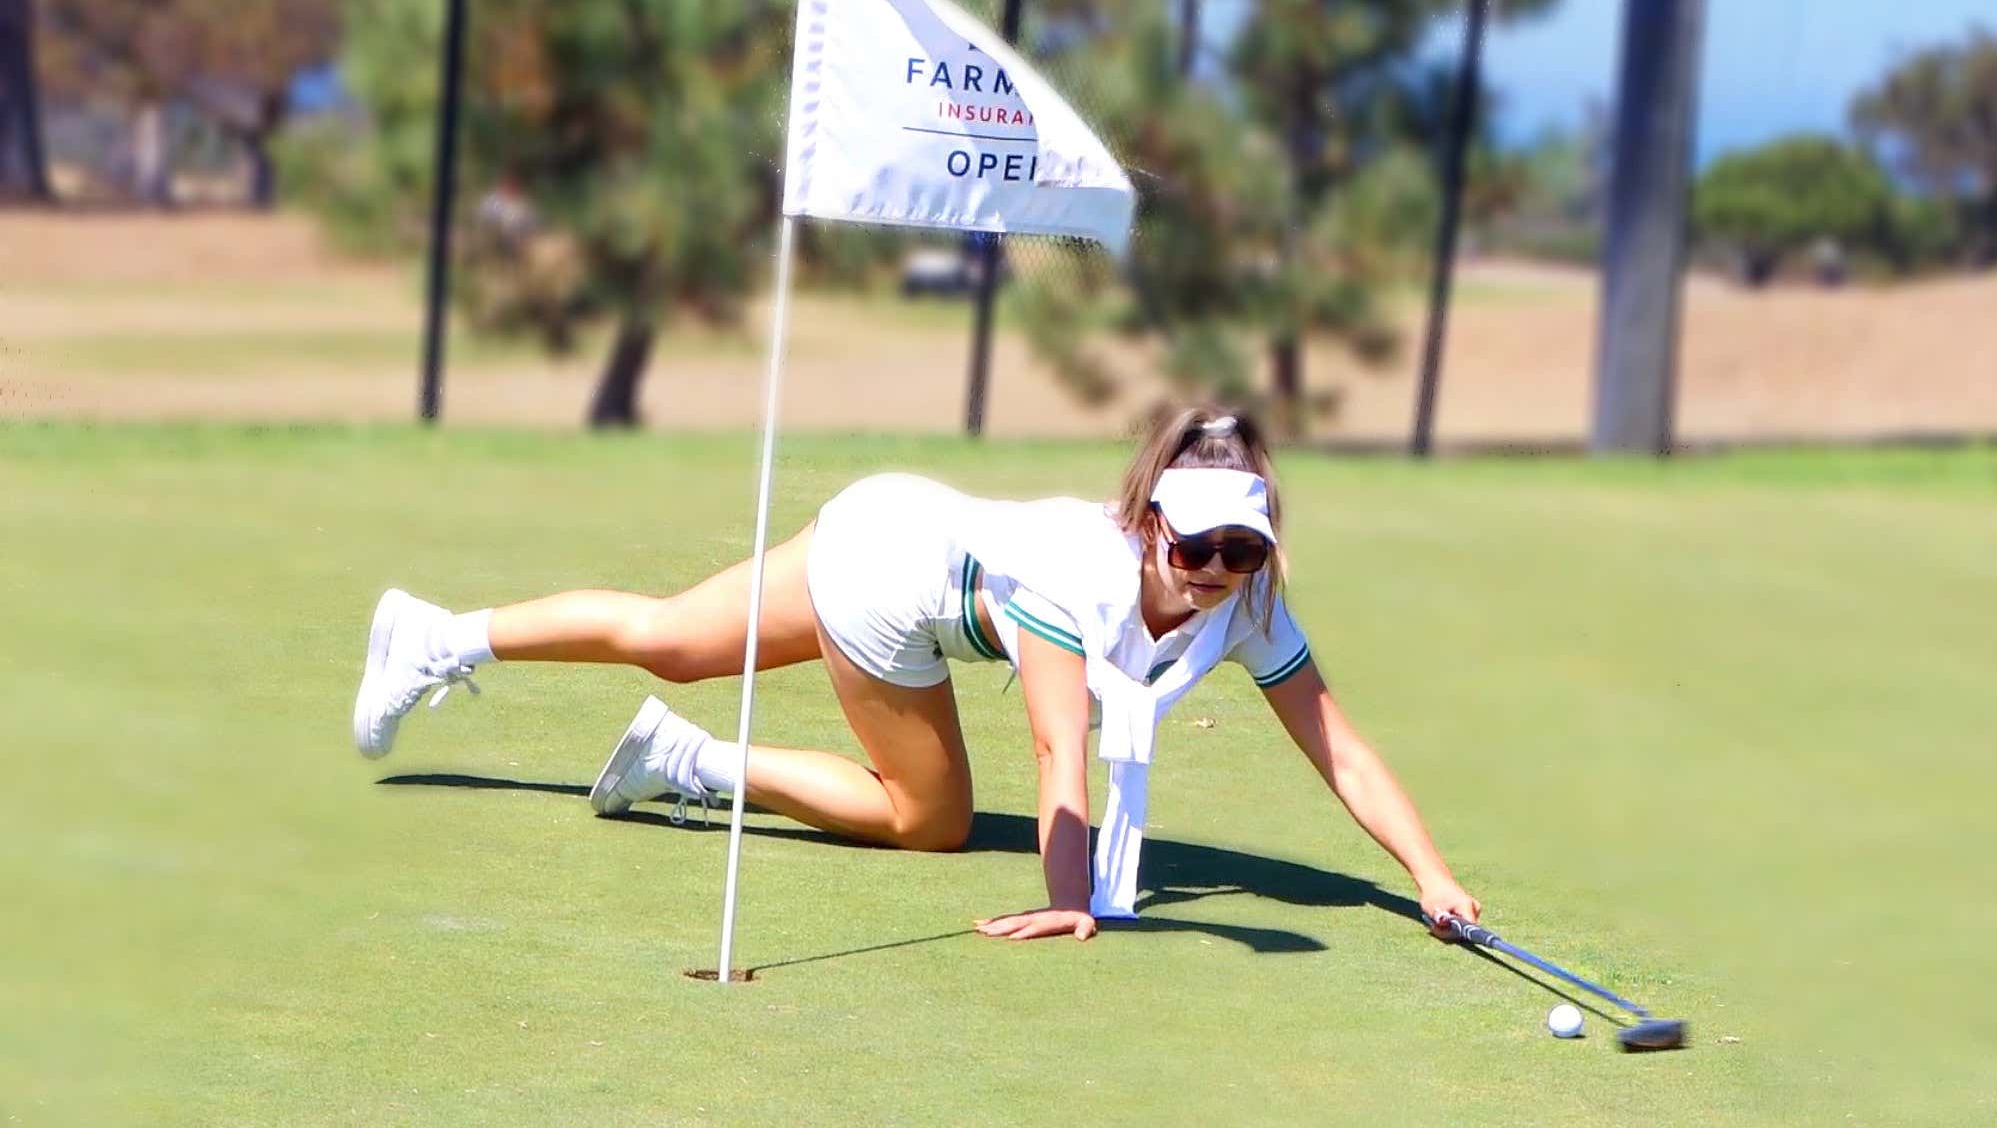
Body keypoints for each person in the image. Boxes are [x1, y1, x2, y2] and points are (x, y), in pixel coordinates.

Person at [352, 404, 1481, 943]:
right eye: (1196, 547)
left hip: (889, 516)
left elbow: (1337, 742)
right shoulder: (1078, 574)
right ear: (1147, 524)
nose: (1218, 572)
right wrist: (1068, 903)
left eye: (1243, 550)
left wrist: (1428, 872)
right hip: (892, 584)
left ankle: (439, 635)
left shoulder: (1249, 604)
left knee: (671, 641)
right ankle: (686, 759)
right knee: (931, 817)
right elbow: (1056, 747)